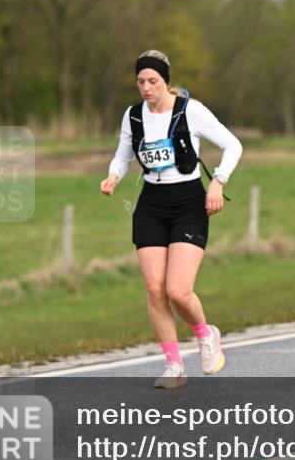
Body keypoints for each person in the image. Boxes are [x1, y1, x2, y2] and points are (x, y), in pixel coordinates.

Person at [100, 50, 243, 388]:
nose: (146, 88)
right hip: (151, 203)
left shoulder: (190, 111)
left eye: (153, 81)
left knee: (178, 291)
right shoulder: (133, 115)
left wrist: (218, 182)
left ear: (165, 80)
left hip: (188, 202)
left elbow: (232, 145)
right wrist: (113, 176)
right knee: (154, 289)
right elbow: (122, 156)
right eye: (140, 82)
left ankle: (206, 334)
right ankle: (174, 366)